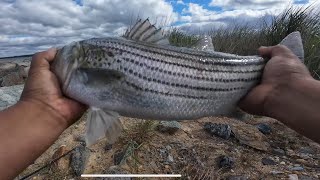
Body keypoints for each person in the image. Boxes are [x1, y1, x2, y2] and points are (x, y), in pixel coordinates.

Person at [0, 45, 320, 179]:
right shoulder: (81, 70)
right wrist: (291, 90)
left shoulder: (73, 62)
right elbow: (103, 118)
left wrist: (289, 88)